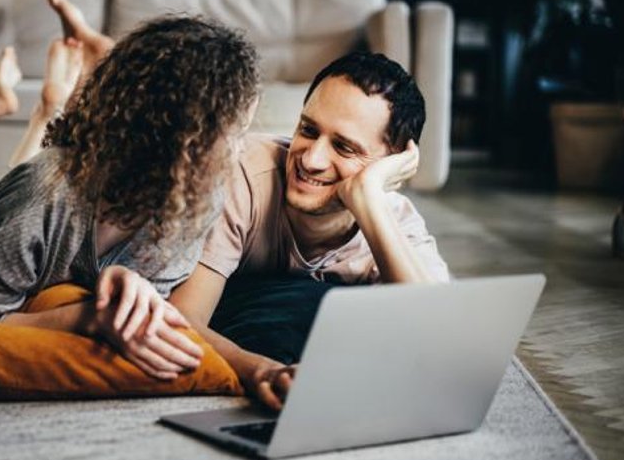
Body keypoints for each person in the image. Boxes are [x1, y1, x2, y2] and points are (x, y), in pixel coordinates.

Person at [0, 4, 261, 381]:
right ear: (187, 140)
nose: (243, 147)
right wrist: (85, 319)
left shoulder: (196, 203)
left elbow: (144, 309)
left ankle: (41, 110)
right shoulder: (46, 191)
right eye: (237, 132)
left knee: (1, 207)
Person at [167, 52, 451, 410]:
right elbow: (184, 320)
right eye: (308, 130)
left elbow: (440, 342)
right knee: (319, 306)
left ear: (390, 166)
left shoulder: (394, 221)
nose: (310, 160)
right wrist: (261, 372)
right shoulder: (242, 174)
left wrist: (368, 199)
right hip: (235, 318)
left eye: (344, 147)